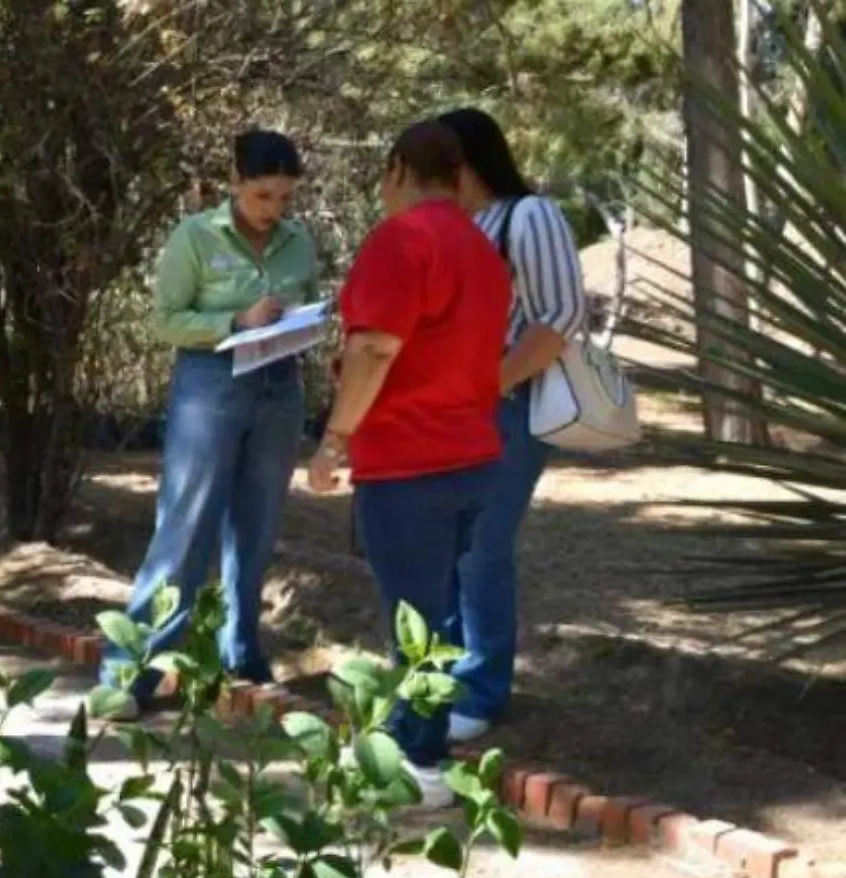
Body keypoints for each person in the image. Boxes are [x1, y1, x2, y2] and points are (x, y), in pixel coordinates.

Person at [305, 121, 513, 808]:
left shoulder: (403, 240)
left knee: (415, 621)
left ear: (397, 169)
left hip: (409, 458)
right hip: (471, 452)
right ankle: (420, 745)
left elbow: (374, 350)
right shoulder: (482, 250)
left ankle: (419, 764)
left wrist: (336, 439)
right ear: (458, 174)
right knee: (439, 613)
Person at [100, 130, 320, 709]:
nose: (274, 210)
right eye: (262, 196)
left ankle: (241, 652)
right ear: (234, 183)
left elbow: (307, 302)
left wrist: (304, 322)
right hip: (211, 383)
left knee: (257, 528)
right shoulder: (194, 236)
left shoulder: (298, 241)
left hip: (280, 387)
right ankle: (132, 671)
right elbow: (167, 321)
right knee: (187, 526)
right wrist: (235, 319)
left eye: (285, 198)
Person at [437, 107, 589, 743]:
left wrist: (488, 382)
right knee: (445, 547)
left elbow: (558, 317)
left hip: (508, 407)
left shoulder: (531, 216)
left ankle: (482, 688)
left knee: (482, 548)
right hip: (453, 410)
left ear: (466, 162)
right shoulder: (457, 224)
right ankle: (440, 676)